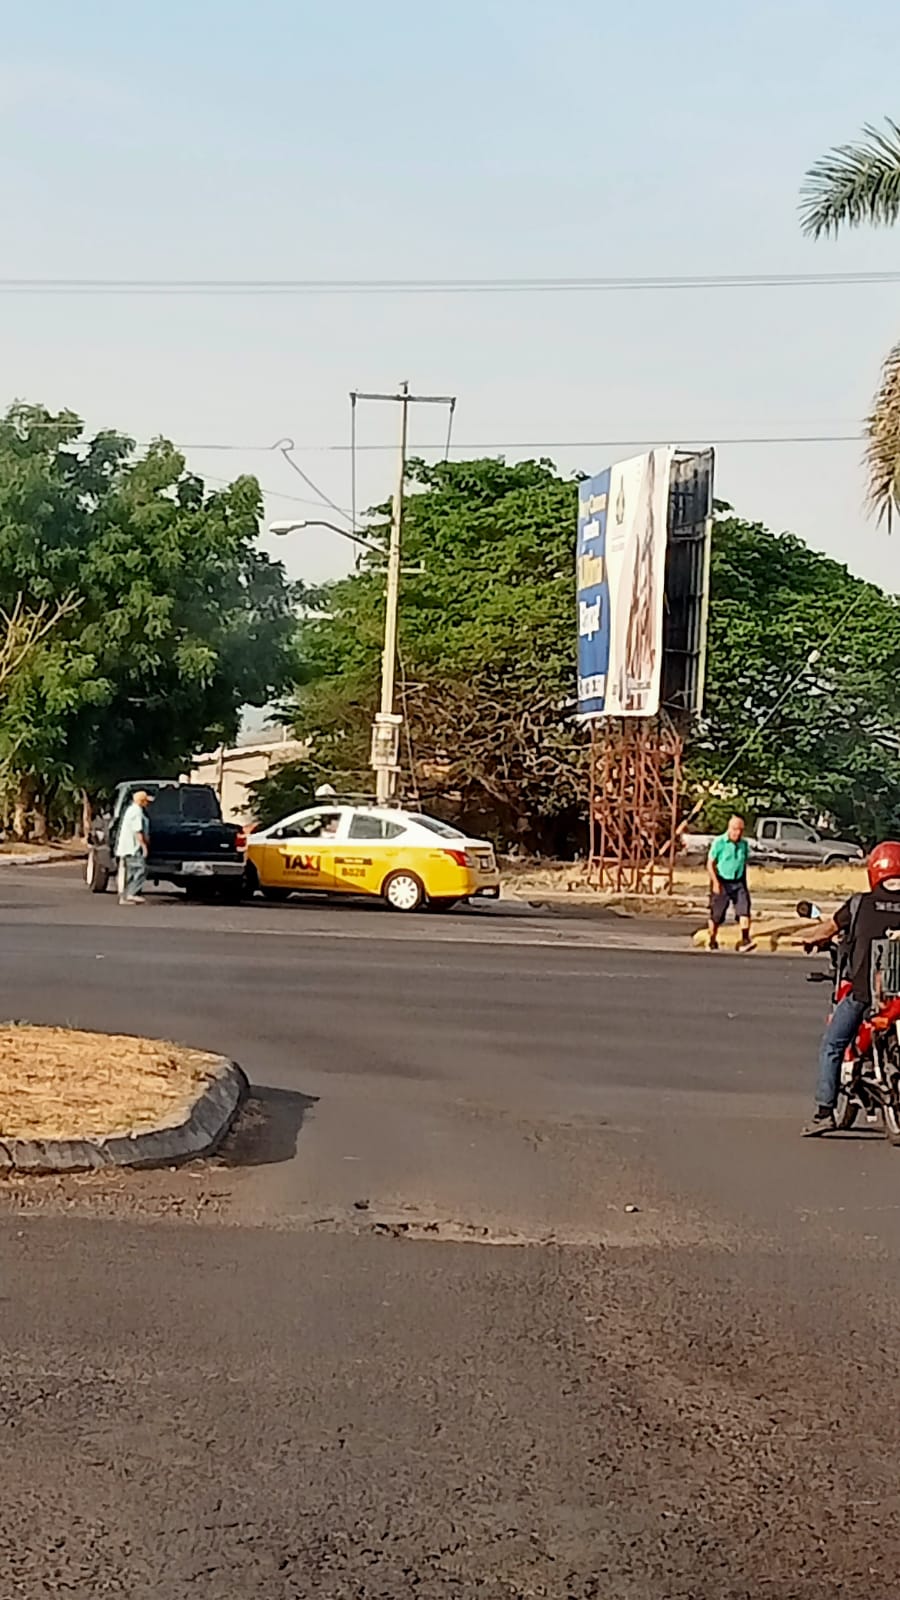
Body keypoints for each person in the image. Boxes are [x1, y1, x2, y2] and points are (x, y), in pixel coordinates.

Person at [801, 840, 900, 1136]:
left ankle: (824, 1112)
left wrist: (809, 940)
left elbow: (829, 929)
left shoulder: (859, 903)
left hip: (866, 992)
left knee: (833, 1044)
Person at [707, 814, 754, 952]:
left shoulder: (743, 844)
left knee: (744, 910)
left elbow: (743, 863)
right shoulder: (719, 842)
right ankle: (712, 940)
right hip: (722, 880)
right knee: (717, 914)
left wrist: (744, 883)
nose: (737, 833)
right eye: (734, 829)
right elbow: (710, 864)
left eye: (740, 830)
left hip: (738, 881)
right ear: (729, 828)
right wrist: (715, 882)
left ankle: (745, 940)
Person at [115, 789, 151, 905]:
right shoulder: (137, 812)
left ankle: (124, 897)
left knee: (130, 872)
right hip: (133, 847)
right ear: (142, 801)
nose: (148, 804)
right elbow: (137, 831)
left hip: (126, 848)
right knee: (141, 869)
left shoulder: (130, 810)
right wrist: (144, 847)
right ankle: (132, 893)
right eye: (146, 801)